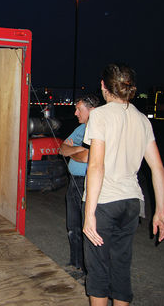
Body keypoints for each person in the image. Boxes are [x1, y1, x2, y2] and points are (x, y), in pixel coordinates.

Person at [82, 63, 164, 306]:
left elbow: (96, 165)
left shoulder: (99, 115)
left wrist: (89, 214)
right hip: (132, 203)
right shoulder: (142, 119)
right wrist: (160, 212)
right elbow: (158, 168)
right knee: (121, 265)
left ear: (103, 86)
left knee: (98, 270)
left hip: (104, 203)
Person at [59, 94, 100, 274]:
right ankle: (75, 262)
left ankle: (87, 270)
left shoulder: (98, 129)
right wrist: (78, 150)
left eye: (78, 109)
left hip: (87, 183)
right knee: (72, 225)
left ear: (91, 109)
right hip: (73, 183)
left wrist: (73, 151)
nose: (75, 113)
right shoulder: (80, 129)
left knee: (86, 227)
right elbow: (62, 148)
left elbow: (87, 157)